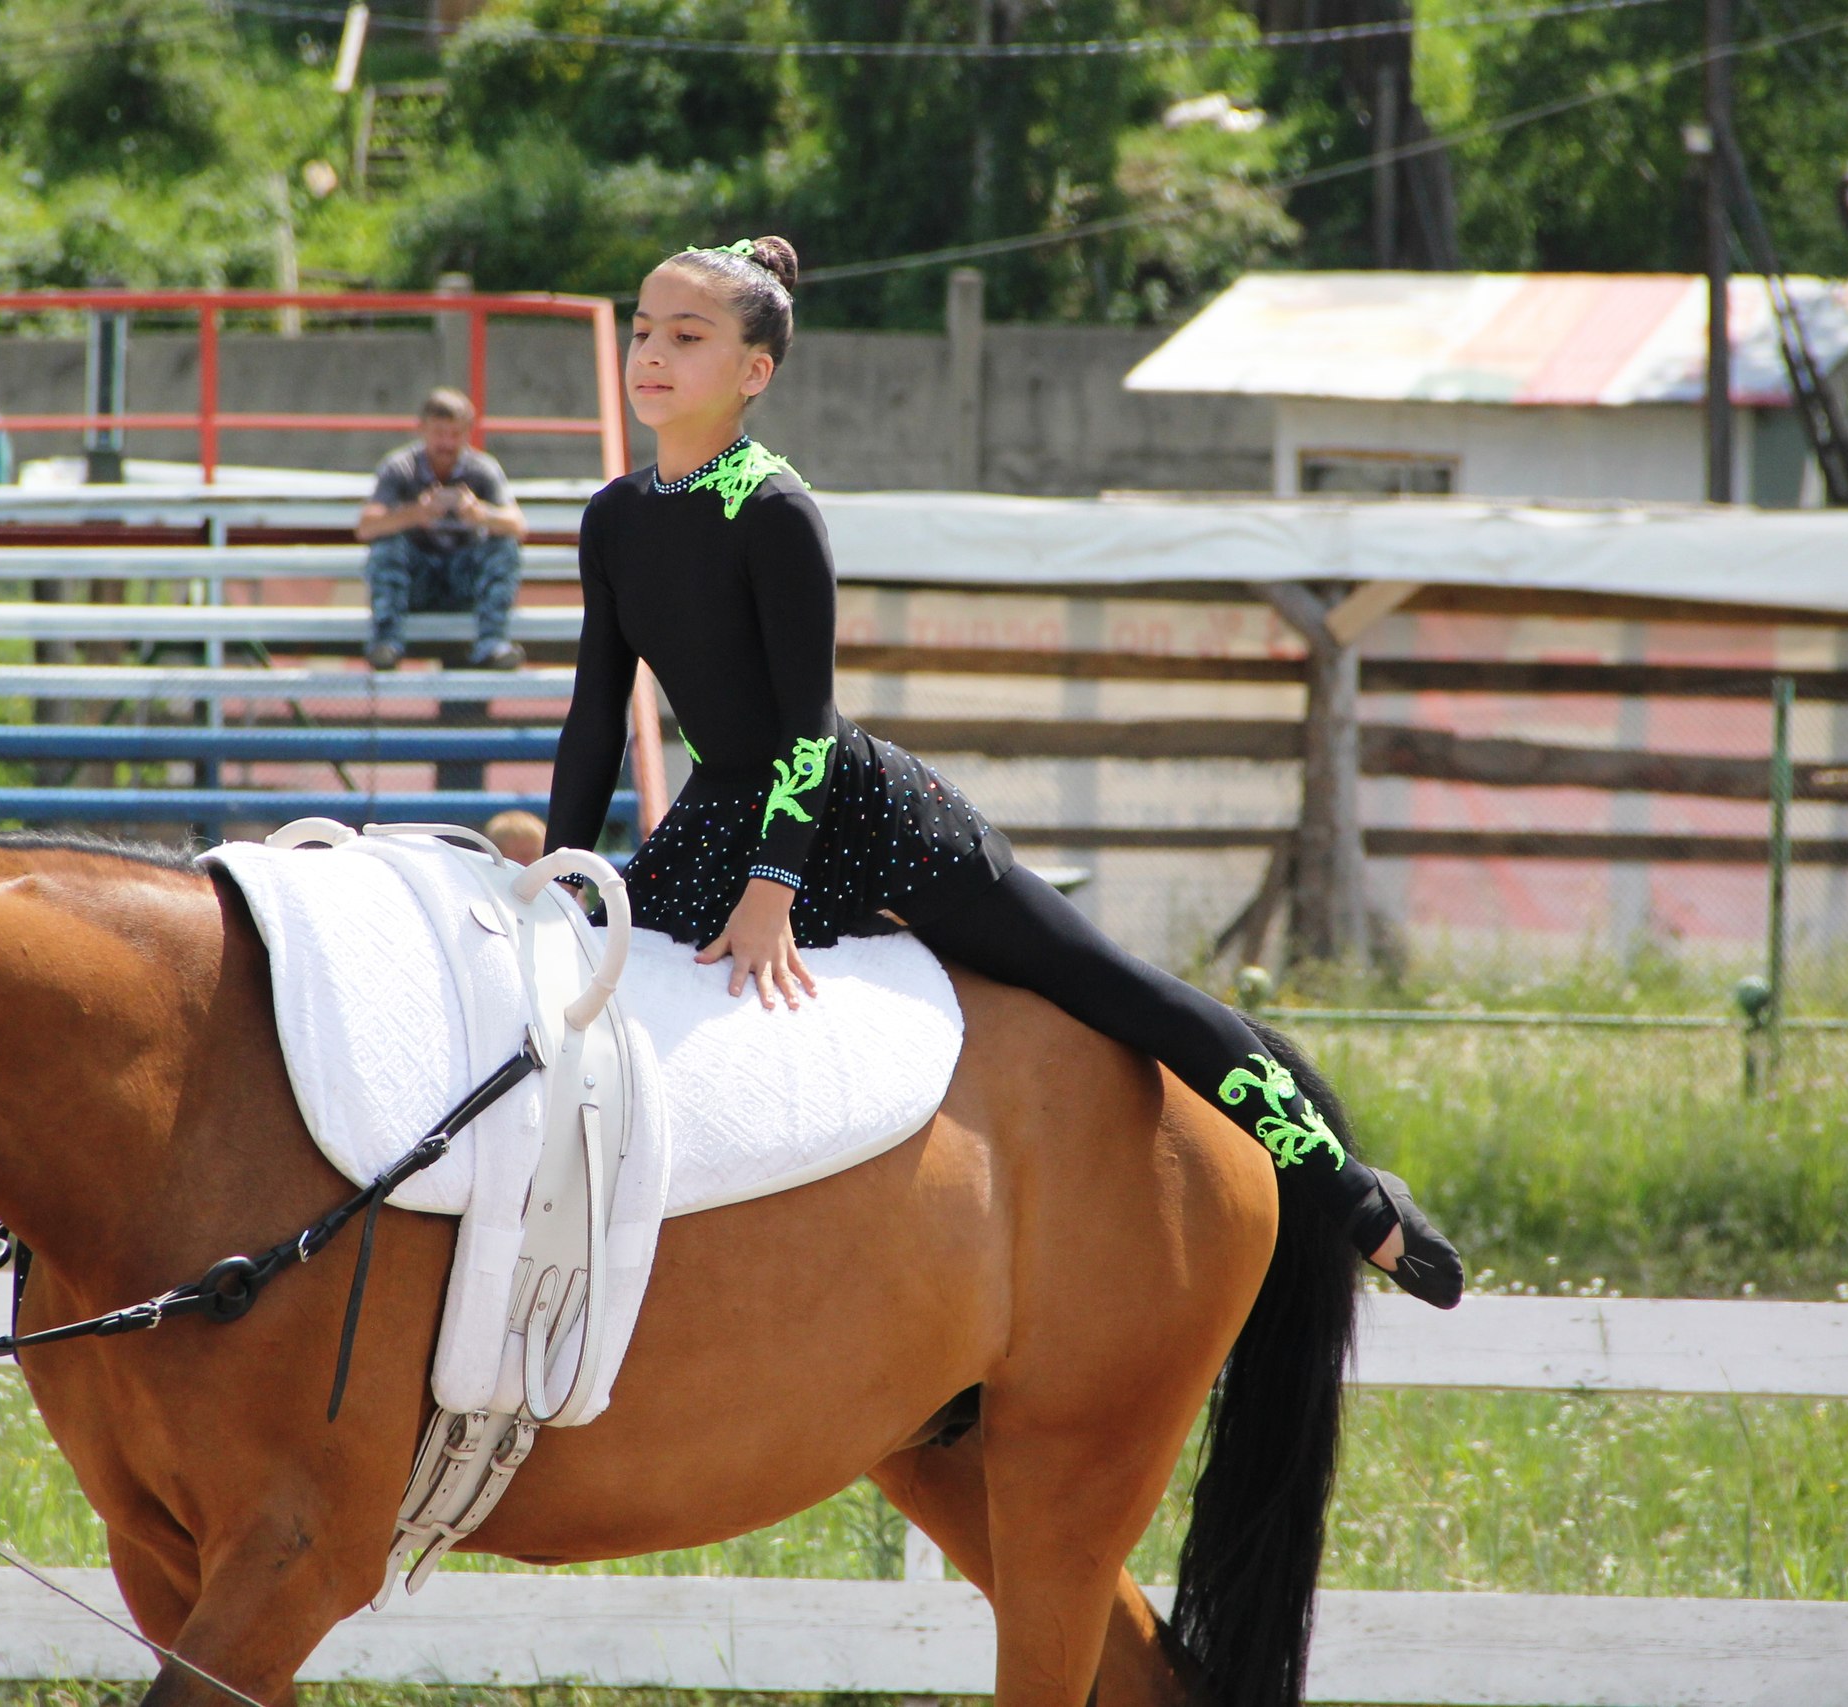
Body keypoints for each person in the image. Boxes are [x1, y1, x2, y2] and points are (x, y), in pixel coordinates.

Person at [544, 235, 1464, 1308]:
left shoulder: (775, 507)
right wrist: (564, 865)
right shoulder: (613, 516)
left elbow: (807, 724)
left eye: (685, 336)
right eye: (642, 330)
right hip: (715, 814)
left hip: (849, 813)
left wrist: (771, 886)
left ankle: (1351, 1198)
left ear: (755, 371)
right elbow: (594, 712)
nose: (649, 353)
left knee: (1104, 985)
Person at [356, 388, 529, 671]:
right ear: (422, 429)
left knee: (504, 546)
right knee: (386, 544)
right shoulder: (400, 467)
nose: (447, 443)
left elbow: (518, 525)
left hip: (465, 581)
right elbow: (366, 526)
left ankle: (492, 643)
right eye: (439, 433)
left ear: (467, 433)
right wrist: (416, 514)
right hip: (416, 581)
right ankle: (386, 642)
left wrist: (480, 515)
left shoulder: (483, 469)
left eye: (455, 434)